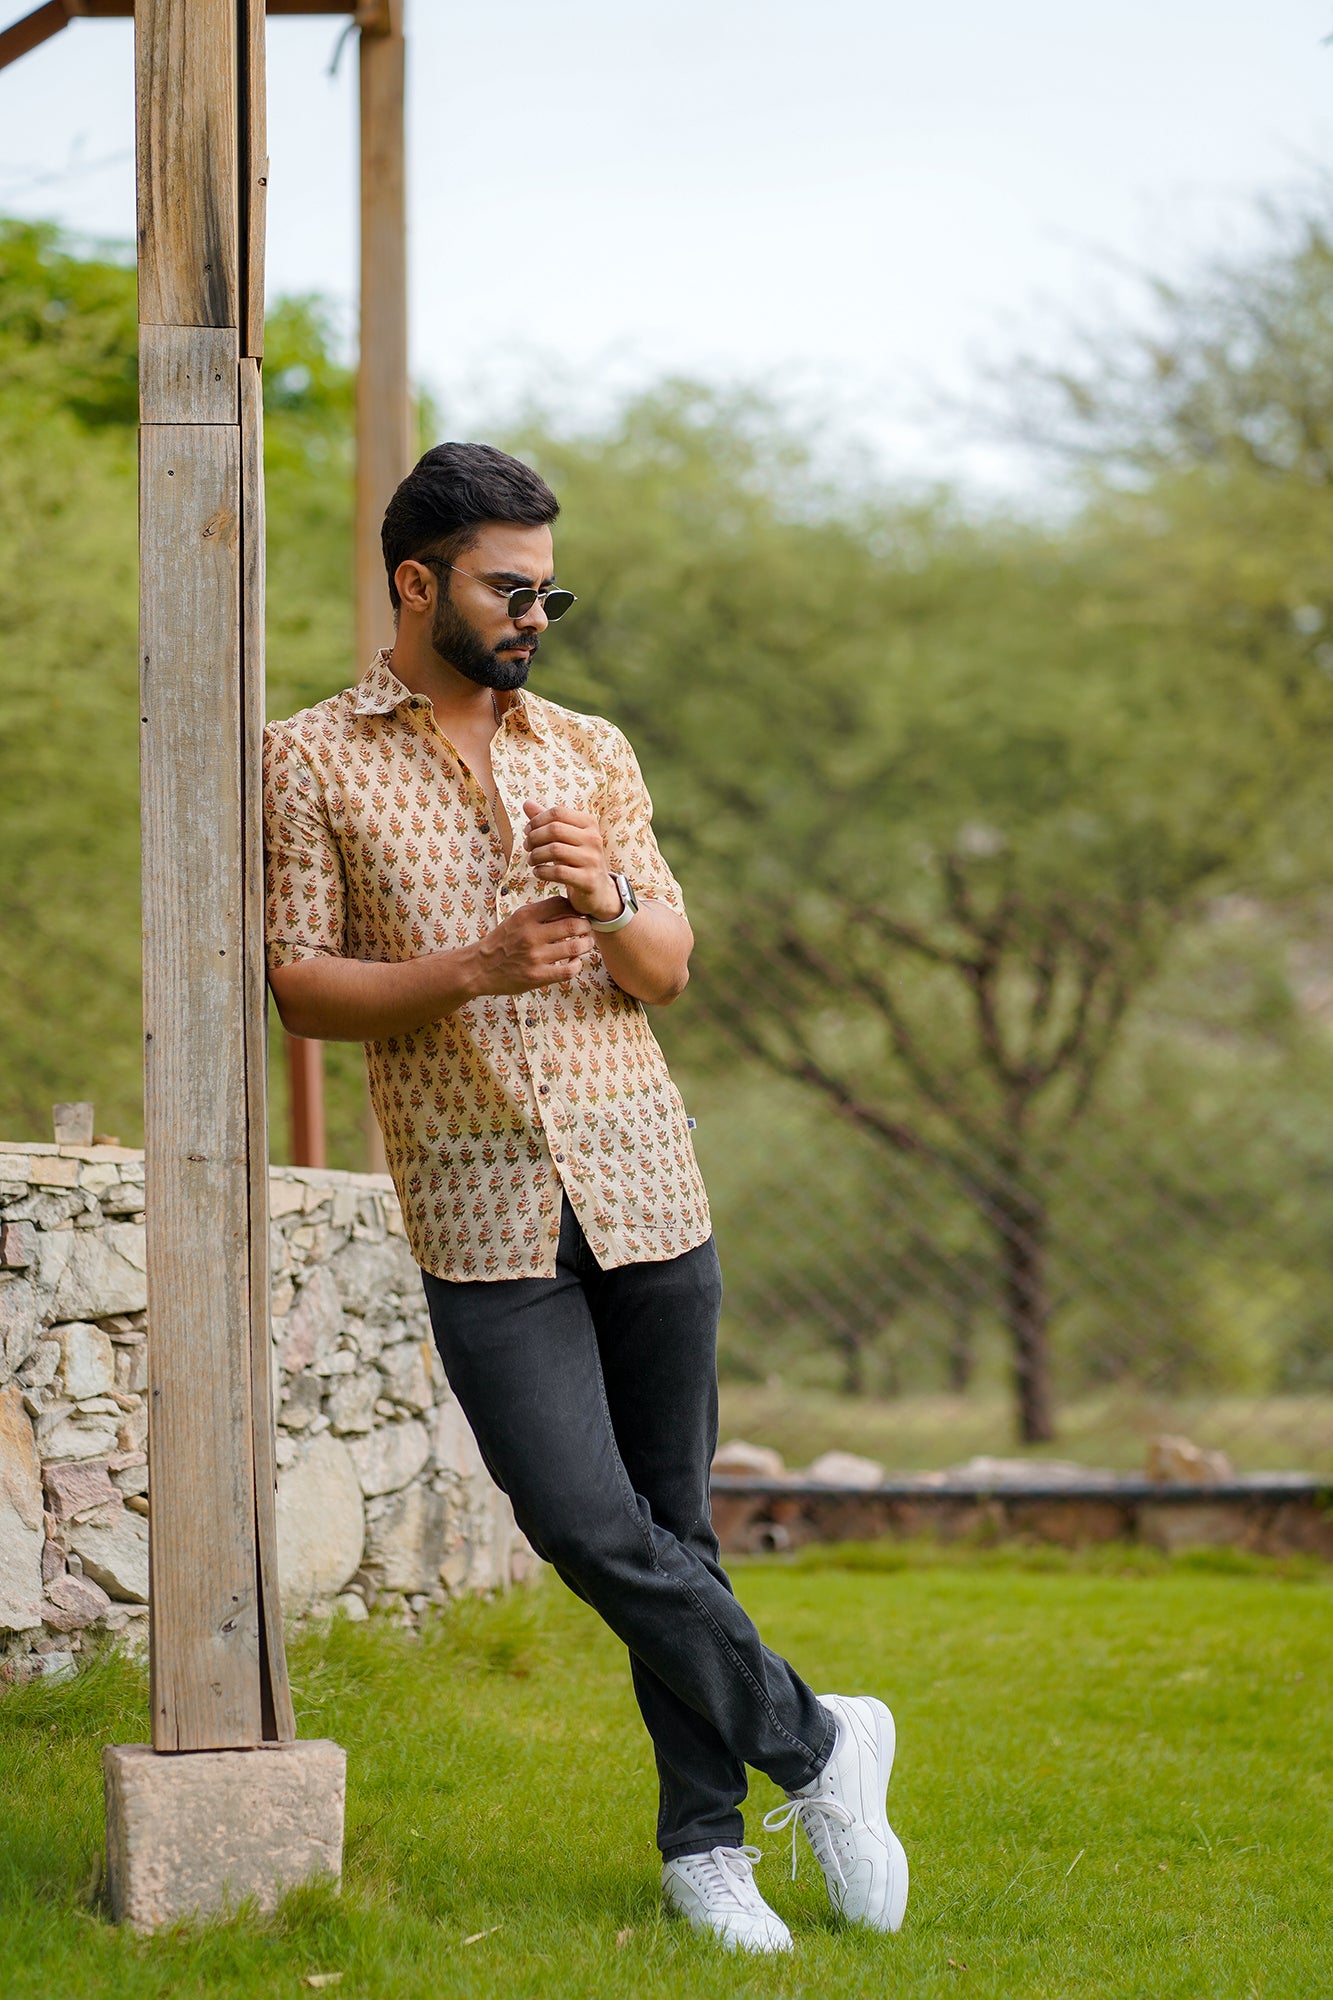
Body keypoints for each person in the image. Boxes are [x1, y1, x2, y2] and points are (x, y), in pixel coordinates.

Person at [263, 442, 908, 1953]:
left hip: (644, 1186)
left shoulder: (591, 750)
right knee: (581, 1522)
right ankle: (819, 1745)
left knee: (672, 1529)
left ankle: (704, 1850)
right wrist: (471, 969)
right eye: (507, 586)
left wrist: (611, 898)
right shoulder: (308, 759)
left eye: (549, 589)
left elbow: (668, 970)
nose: (535, 614)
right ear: (417, 583)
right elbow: (298, 984)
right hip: (481, 1209)